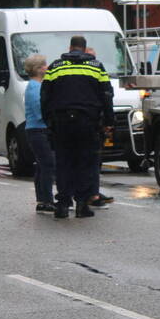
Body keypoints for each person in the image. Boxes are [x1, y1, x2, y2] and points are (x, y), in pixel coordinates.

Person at [41, 36, 114, 219]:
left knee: (64, 162)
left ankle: (63, 205)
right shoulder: (96, 67)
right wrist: (109, 122)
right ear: (84, 48)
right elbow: (106, 95)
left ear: (70, 47)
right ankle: (82, 205)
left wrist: (48, 121)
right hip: (88, 123)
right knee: (85, 163)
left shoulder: (55, 67)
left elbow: (45, 96)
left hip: (62, 123)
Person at [22, 54, 55, 213]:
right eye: (44, 65)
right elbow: (39, 110)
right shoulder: (35, 88)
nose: (47, 67)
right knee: (48, 164)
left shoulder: (34, 86)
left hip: (35, 129)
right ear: (39, 68)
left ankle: (42, 199)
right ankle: (46, 200)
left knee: (43, 165)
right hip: (38, 130)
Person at [83, 46, 113, 208]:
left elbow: (108, 94)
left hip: (97, 123)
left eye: (94, 57)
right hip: (87, 123)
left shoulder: (98, 70)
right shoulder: (84, 74)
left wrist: (108, 122)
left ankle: (93, 192)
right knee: (86, 160)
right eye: (89, 56)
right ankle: (87, 194)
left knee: (95, 161)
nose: (92, 60)